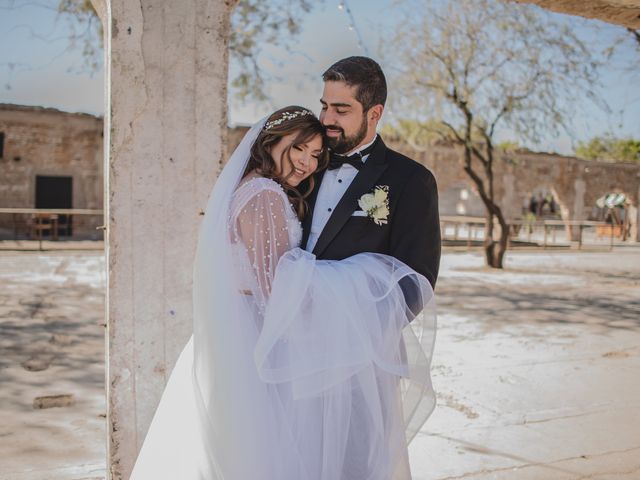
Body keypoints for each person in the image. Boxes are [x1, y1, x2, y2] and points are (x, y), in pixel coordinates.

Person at [129, 104, 436, 480]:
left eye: (315, 154)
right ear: (273, 141)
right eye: (298, 148)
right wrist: (356, 283)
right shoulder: (264, 196)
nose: (307, 163)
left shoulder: (252, 188)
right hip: (253, 339)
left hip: (239, 332)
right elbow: (277, 287)